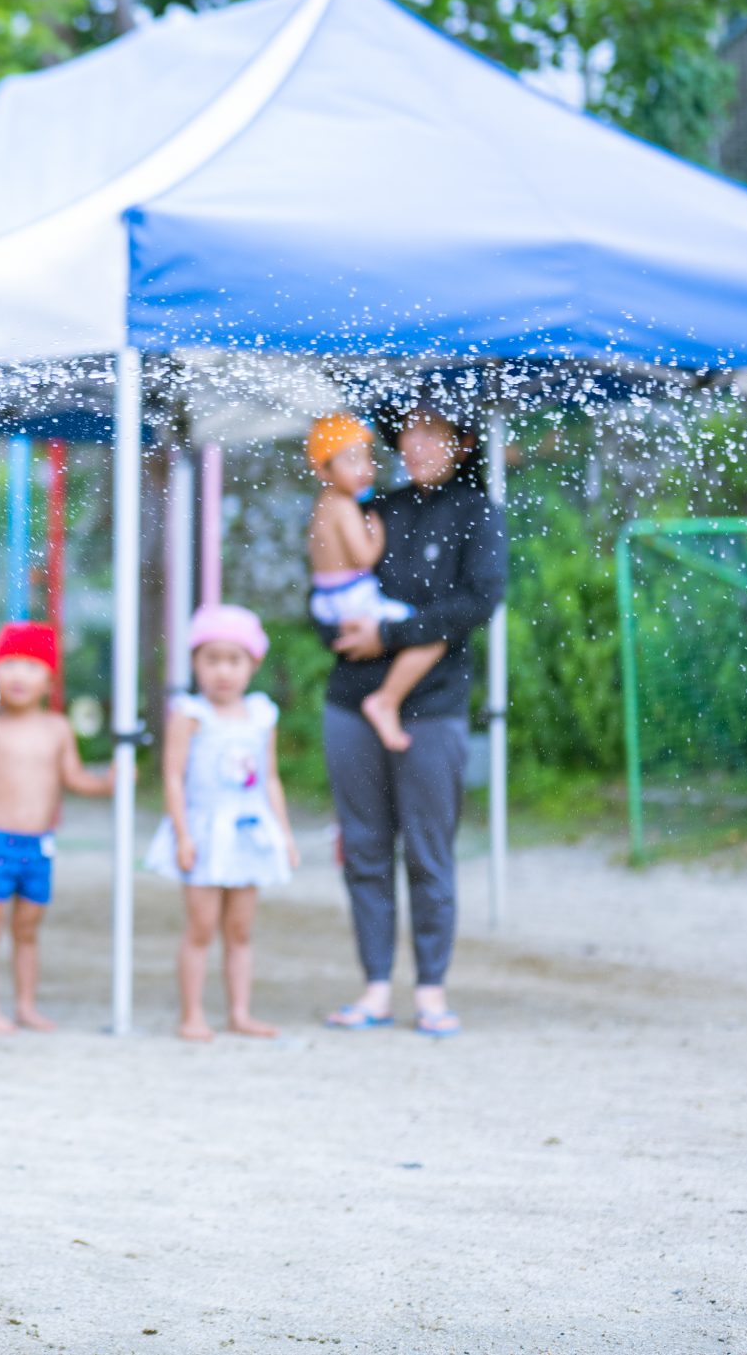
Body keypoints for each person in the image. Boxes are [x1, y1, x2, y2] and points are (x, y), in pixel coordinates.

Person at [320, 409, 504, 1040]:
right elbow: (326, 586)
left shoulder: (477, 513)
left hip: (434, 707)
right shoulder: (374, 508)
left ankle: (431, 990)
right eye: (410, 430)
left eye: (433, 431)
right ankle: (375, 986)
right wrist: (341, 629)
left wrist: (389, 634)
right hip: (350, 701)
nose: (416, 443)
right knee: (364, 849)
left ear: (464, 441)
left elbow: (478, 601)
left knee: (429, 852)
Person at [148, 605, 298, 1040]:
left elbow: (270, 779)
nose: (223, 671)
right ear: (195, 662)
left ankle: (239, 1013)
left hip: (248, 834)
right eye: (211, 659)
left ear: (253, 664)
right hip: (204, 834)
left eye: (234, 660)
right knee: (200, 928)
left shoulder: (261, 715)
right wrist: (182, 834)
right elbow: (173, 777)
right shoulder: (190, 714)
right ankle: (191, 1014)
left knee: (240, 931)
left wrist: (284, 834)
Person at [0, 621, 108, 1034]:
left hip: (39, 845)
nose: (18, 675)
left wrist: (110, 782)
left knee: (27, 929)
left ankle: (26, 1006)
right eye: (9, 664)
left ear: (49, 679)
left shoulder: (57, 728)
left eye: (31, 666)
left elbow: (75, 778)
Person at [307, 414, 446, 754]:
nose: (365, 469)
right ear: (324, 470)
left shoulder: (323, 505)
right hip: (352, 597)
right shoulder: (344, 506)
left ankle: (384, 698)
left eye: (367, 458)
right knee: (429, 634)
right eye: (352, 460)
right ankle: (386, 700)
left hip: (326, 599)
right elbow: (364, 557)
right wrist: (377, 536)